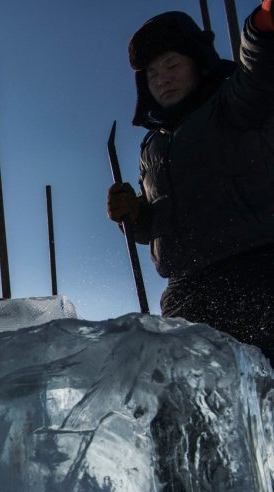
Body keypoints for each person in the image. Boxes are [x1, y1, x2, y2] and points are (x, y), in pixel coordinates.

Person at [106, 7, 274, 362]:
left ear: (198, 62)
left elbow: (260, 69)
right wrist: (136, 216)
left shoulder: (233, 103)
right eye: (152, 73)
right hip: (187, 293)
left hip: (257, 274)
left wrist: (262, 24)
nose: (162, 79)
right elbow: (160, 224)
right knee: (189, 409)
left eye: (171, 65)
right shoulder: (152, 146)